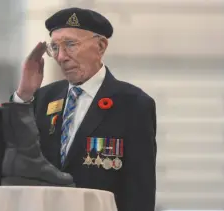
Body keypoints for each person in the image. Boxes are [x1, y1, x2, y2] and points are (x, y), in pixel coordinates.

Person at [11, 7, 157, 211]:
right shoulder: (42, 99)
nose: (61, 56)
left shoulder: (133, 104)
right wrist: (23, 95)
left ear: (101, 46)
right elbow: (11, 154)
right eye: (54, 47)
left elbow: (140, 190)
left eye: (70, 45)